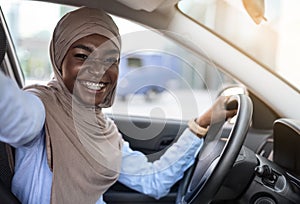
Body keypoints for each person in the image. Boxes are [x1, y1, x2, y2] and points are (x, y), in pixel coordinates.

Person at [0, 7, 236, 204]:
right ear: (59, 58)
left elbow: (153, 179)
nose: (99, 69)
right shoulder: (40, 110)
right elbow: (10, 112)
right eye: (82, 56)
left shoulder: (104, 130)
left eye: (110, 59)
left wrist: (202, 123)